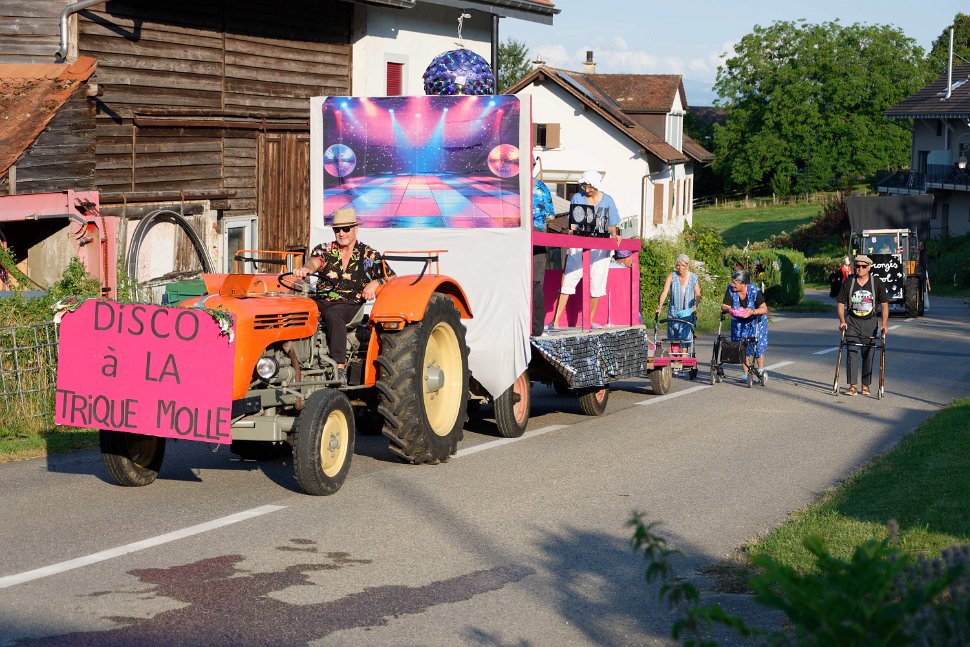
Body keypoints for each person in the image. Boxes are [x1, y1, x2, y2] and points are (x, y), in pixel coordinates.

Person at [293, 207, 395, 383]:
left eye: (346, 229)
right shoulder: (324, 249)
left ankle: (339, 368)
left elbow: (391, 277)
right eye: (337, 229)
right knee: (296, 307)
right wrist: (306, 269)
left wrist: (375, 283)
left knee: (334, 313)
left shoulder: (369, 254)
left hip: (350, 304)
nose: (341, 233)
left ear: (355, 229)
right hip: (322, 300)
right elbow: (314, 262)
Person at [549, 170, 621, 330]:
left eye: (588, 186)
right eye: (584, 185)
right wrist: (571, 234)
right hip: (578, 244)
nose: (586, 189)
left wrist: (615, 234)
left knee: (597, 284)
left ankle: (588, 321)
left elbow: (612, 225)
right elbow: (573, 223)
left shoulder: (608, 200)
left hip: (600, 247)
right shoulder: (577, 197)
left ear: (595, 185)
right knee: (568, 280)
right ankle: (555, 322)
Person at [836, 254, 888, 397]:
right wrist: (842, 321)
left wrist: (884, 324)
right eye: (857, 266)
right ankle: (852, 386)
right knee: (852, 351)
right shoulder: (849, 282)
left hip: (870, 322)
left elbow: (884, 305)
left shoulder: (876, 283)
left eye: (863, 266)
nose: (860, 269)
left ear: (869, 268)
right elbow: (840, 303)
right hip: (852, 321)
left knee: (868, 353)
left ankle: (865, 385)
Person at [721, 269, 769, 383]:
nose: (732, 285)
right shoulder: (730, 290)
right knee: (741, 346)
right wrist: (730, 310)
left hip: (756, 321)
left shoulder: (754, 290)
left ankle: (760, 369)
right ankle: (746, 373)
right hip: (738, 321)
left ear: (743, 284)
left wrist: (752, 311)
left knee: (757, 345)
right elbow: (724, 306)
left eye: (735, 283)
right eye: (732, 282)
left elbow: (764, 308)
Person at [655, 254, 701, 348]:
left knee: (684, 343)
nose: (680, 268)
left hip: (687, 314)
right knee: (674, 343)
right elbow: (664, 292)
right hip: (673, 314)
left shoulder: (693, 278)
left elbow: (698, 294)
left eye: (683, 265)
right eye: (678, 265)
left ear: (687, 265)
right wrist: (660, 307)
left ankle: (683, 355)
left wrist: (695, 305)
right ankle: (675, 356)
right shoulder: (672, 276)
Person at [532, 169, 556, 336]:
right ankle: (535, 328)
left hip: (514, 234)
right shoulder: (540, 186)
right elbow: (550, 216)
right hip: (538, 233)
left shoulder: (510, 185)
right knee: (536, 282)